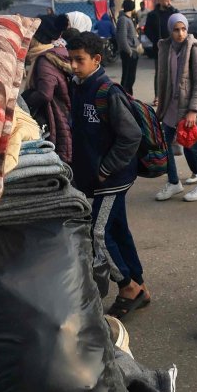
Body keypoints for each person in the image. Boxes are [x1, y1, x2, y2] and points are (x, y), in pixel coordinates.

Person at [66, 32, 148, 317]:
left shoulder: (106, 91)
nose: (74, 66)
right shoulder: (79, 86)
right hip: (93, 178)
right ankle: (139, 284)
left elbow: (131, 135)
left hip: (111, 179)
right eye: (71, 59)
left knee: (97, 232)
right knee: (117, 230)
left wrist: (105, 168)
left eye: (80, 60)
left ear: (96, 60)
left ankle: (126, 286)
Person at [153, 12, 197, 202]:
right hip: (170, 107)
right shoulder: (166, 47)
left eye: (183, 29)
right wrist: (159, 97)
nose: (180, 33)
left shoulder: (195, 49)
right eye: (176, 29)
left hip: (189, 110)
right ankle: (173, 182)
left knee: (196, 147)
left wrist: (193, 111)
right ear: (170, 31)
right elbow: (162, 76)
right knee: (165, 144)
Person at [24, 14, 76, 163]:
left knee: (59, 157)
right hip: (64, 112)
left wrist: (25, 98)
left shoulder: (44, 59)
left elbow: (45, 94)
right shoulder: (58, 51)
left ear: (37, 37)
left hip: (54, 116)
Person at [113, 0, 143, 95]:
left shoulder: (127, 19)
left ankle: (128, 95)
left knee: (131, 76)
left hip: (133, 50)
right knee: (127, 77)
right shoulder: (123, 20)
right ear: (133, 8)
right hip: (129, 51)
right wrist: (128, 50)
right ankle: (124, 95)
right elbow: (122, 37)